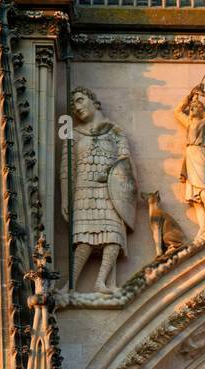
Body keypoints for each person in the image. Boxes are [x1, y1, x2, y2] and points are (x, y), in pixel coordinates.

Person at [61, 87, 137, 293]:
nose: (76, 108)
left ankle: (101, 283)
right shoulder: (74, 134)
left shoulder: (115, 132)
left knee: (112, 237)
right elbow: (67, 169)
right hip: (83, 192)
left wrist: (113, 177)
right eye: (73, 106)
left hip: (109, 191)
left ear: (93, 101)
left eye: (79, 101)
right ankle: (71, 285)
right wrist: (65, 198)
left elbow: (125, 165)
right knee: (84, 240)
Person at [175, 85, 205, 238]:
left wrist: (203, 95)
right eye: (192, 107)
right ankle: (203, 226)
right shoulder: (188, 123)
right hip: (190, 155)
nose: (193, 108)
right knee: (195, 196)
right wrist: (189, 97)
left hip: (201, 153)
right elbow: (177, 111)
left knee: (202, 191)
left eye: (196, 106)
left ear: (202, 110)